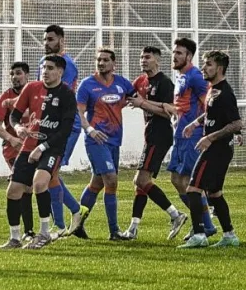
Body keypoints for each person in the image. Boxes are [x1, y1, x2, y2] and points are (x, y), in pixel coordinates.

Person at [1, 55, 78, 250]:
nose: (45, 71)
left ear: (60, 71)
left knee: (39, 182)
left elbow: (65, 130)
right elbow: (14, 116)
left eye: (50, 68)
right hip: (29, 146)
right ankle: (15, 238)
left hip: (52, 147)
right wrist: (18, 128)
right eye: (43, 67)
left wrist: (42, 147)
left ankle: (44, 234)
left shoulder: (67, 95)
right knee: (13, 191)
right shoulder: (31, 88)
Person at [178, 50, 243, 249]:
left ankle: (199, 235)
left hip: (217, 149)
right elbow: (210, 115)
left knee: (193, 189)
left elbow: (237, 123)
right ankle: (230, 235)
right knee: (214, 193)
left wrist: (209, 137)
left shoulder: (225, 93)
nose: (204, 68)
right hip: (219, 148)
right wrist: (195, 124)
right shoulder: (212, 89)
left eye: (208, 65)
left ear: (220, 68)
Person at [68, 48, 135, 241]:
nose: (101, 63)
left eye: (105, 60)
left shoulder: (122, 83)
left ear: (114, 64)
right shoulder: (87, 85)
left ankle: (78, 224)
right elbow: (79, 113)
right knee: (111, 180)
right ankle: (114, 231)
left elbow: (136, 96)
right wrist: (90, 130)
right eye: (99, 60)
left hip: (114, 140)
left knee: (96, 183)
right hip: (96, 140)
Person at [122, 46, 188, 239]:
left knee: (140, 180)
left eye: (147, 57)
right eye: (141, 57)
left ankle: (176, 215)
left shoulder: (165, 83)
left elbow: (169, 112)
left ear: (157, 60)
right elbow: (126, 96)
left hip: (160, 134)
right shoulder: (141, 81)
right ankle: (133, 228)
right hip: (150, 134)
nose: (143, 60)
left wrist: (143, 103)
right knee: (140, 185)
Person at [166, 38, 218, 241]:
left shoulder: (196, 76)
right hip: (179, 135)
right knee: (176, 179)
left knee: (189, 181)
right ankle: (205, 222)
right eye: (174, 52)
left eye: (179, 53)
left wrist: (197, 125)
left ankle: (204, 224)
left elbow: (209, 104)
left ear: (189, 56)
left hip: (192, 136)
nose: (175, 56)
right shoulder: (181, 77)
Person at [40, 25, 84, 231]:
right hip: (49, 124)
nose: (46, 43)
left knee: (51, 172)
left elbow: (58, 95)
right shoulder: (44, 63)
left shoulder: (67, 65)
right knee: (49, 173)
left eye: (50, 39)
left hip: (67, 126)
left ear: (61, 40)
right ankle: (72, 213)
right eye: (45, 39)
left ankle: (62, 222)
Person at [0, 61, 35, 246]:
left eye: (18, 73)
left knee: (34, 186)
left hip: (35, 146)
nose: (15, 77)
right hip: (14, 148)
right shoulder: (6, 97)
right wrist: (11, 139)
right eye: (12, 74)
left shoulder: (36, 94)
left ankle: (30, 231)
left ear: (27, 75)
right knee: (22, 187)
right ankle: (26, 232)